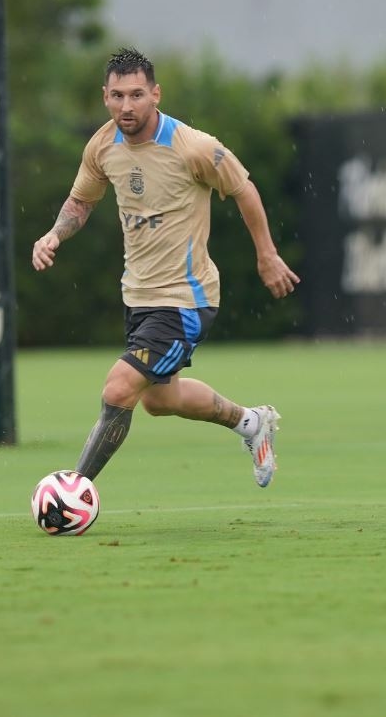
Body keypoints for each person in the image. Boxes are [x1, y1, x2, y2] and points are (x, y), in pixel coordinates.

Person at [32, 47, 299, 492]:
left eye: (137, 95)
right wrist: (54, 235)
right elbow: (81, 202)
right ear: (105, 96)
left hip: (185, 299)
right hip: (139, 297)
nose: (126, 106)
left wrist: (267, 255)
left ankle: (74, 491)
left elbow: (244, 189)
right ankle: (251, 422)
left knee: (119, 388)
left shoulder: (194, 147)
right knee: (159, 399)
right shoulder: (102, 145)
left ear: (155, 94)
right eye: (117, 96)